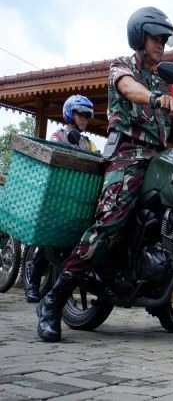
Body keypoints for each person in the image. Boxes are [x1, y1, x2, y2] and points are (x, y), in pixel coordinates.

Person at [37, 7, 173, 343]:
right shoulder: (123, 66)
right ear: (140, 37)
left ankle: (159, 293)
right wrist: (154, 98)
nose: (161, 45)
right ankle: (54, 300)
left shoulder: (167, 78)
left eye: (165, 40)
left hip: (158, 157)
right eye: (156, 38)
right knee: (111, 222)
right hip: (127, 153)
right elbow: (128, 89)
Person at [25, 96, 98, 303]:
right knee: (47, 241)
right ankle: (32, 283)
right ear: (70, 114)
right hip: (57, 196)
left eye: (87, 115)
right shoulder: (58, 136)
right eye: (81, 114)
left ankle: (58, 288)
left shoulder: (88, 143)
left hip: (77, 199)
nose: (85, 119)